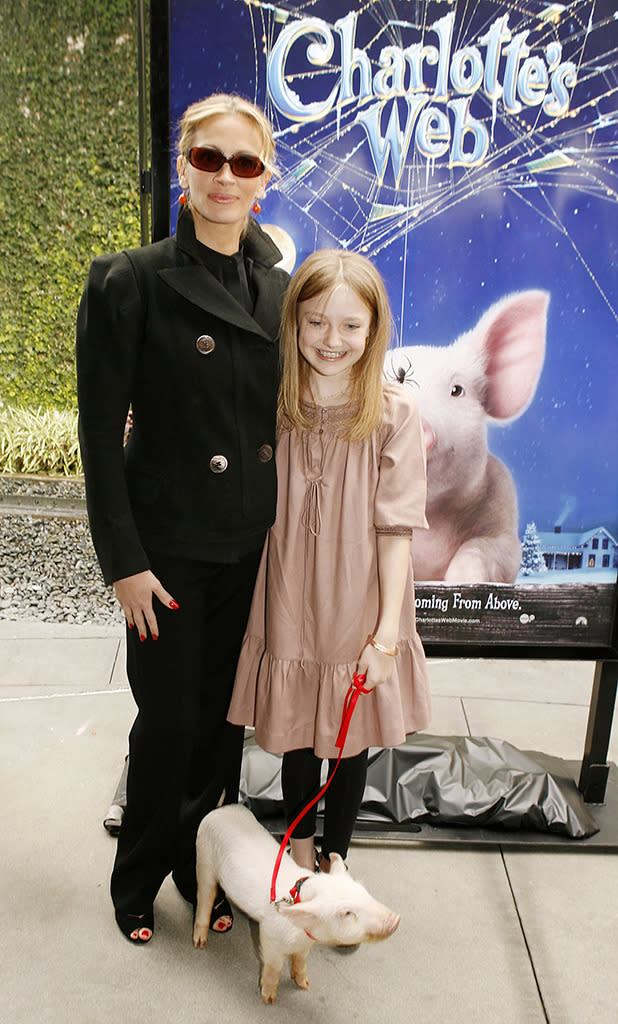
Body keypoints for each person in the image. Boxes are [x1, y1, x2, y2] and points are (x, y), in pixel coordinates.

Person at [76, 93, 290, 943]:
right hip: (164, 552)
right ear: (183, 170)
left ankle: (197, 870)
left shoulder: (278, 287)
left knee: (220, 725)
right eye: (210, 159)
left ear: (264, 180)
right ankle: (138, 878)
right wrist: (123, 563)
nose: (226, 177)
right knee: (166, 723)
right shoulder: (130, 281)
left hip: (248, 546)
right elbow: (99, 436)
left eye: (245, 163)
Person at [228, 249, 431, 873]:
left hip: (359, 595)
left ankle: (338, 855)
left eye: (349, 325)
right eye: (316, 322)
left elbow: (397, 529)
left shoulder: (394, 413)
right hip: (288, 584)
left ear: (373, 330)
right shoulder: (274, 401)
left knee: (349, 733)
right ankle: (301, 845)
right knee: (294, 730)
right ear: (293, 322)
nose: (331, 339)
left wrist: (387, 633)